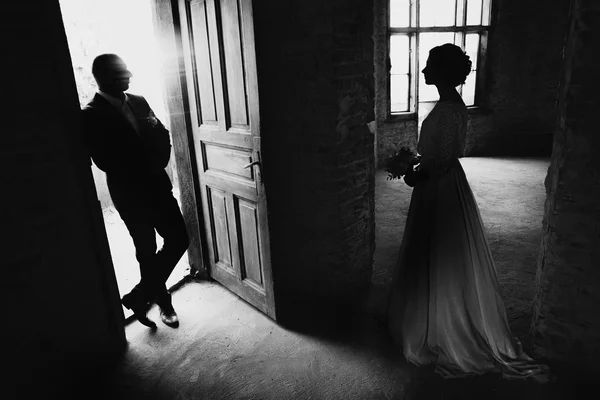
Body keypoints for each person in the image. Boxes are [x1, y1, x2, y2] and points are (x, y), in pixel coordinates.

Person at [387, 44, 552, 382]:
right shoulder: (448, 105)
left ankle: (443, 326)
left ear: (443, 72)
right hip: (442, 184)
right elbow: (438, 153)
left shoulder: (448, 111)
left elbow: (444, 160)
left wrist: (413, 174)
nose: (423, 71)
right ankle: (430, 317)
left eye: (429, 65)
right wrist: (413, 161)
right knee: (434, 252)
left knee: (441, 252)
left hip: (441, 188)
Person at [82, 54, 189, 329]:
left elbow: (162, 133)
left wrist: (158, 163)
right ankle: (163, 302)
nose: (129, 74)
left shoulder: (139, 101)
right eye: (121, 71)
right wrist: (144, 167)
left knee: (179, 239)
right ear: (103, 77)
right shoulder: (91, 114)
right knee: (146, 249)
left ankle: (140, 296)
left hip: (158, 186)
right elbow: (104, 160)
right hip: (130, 195)